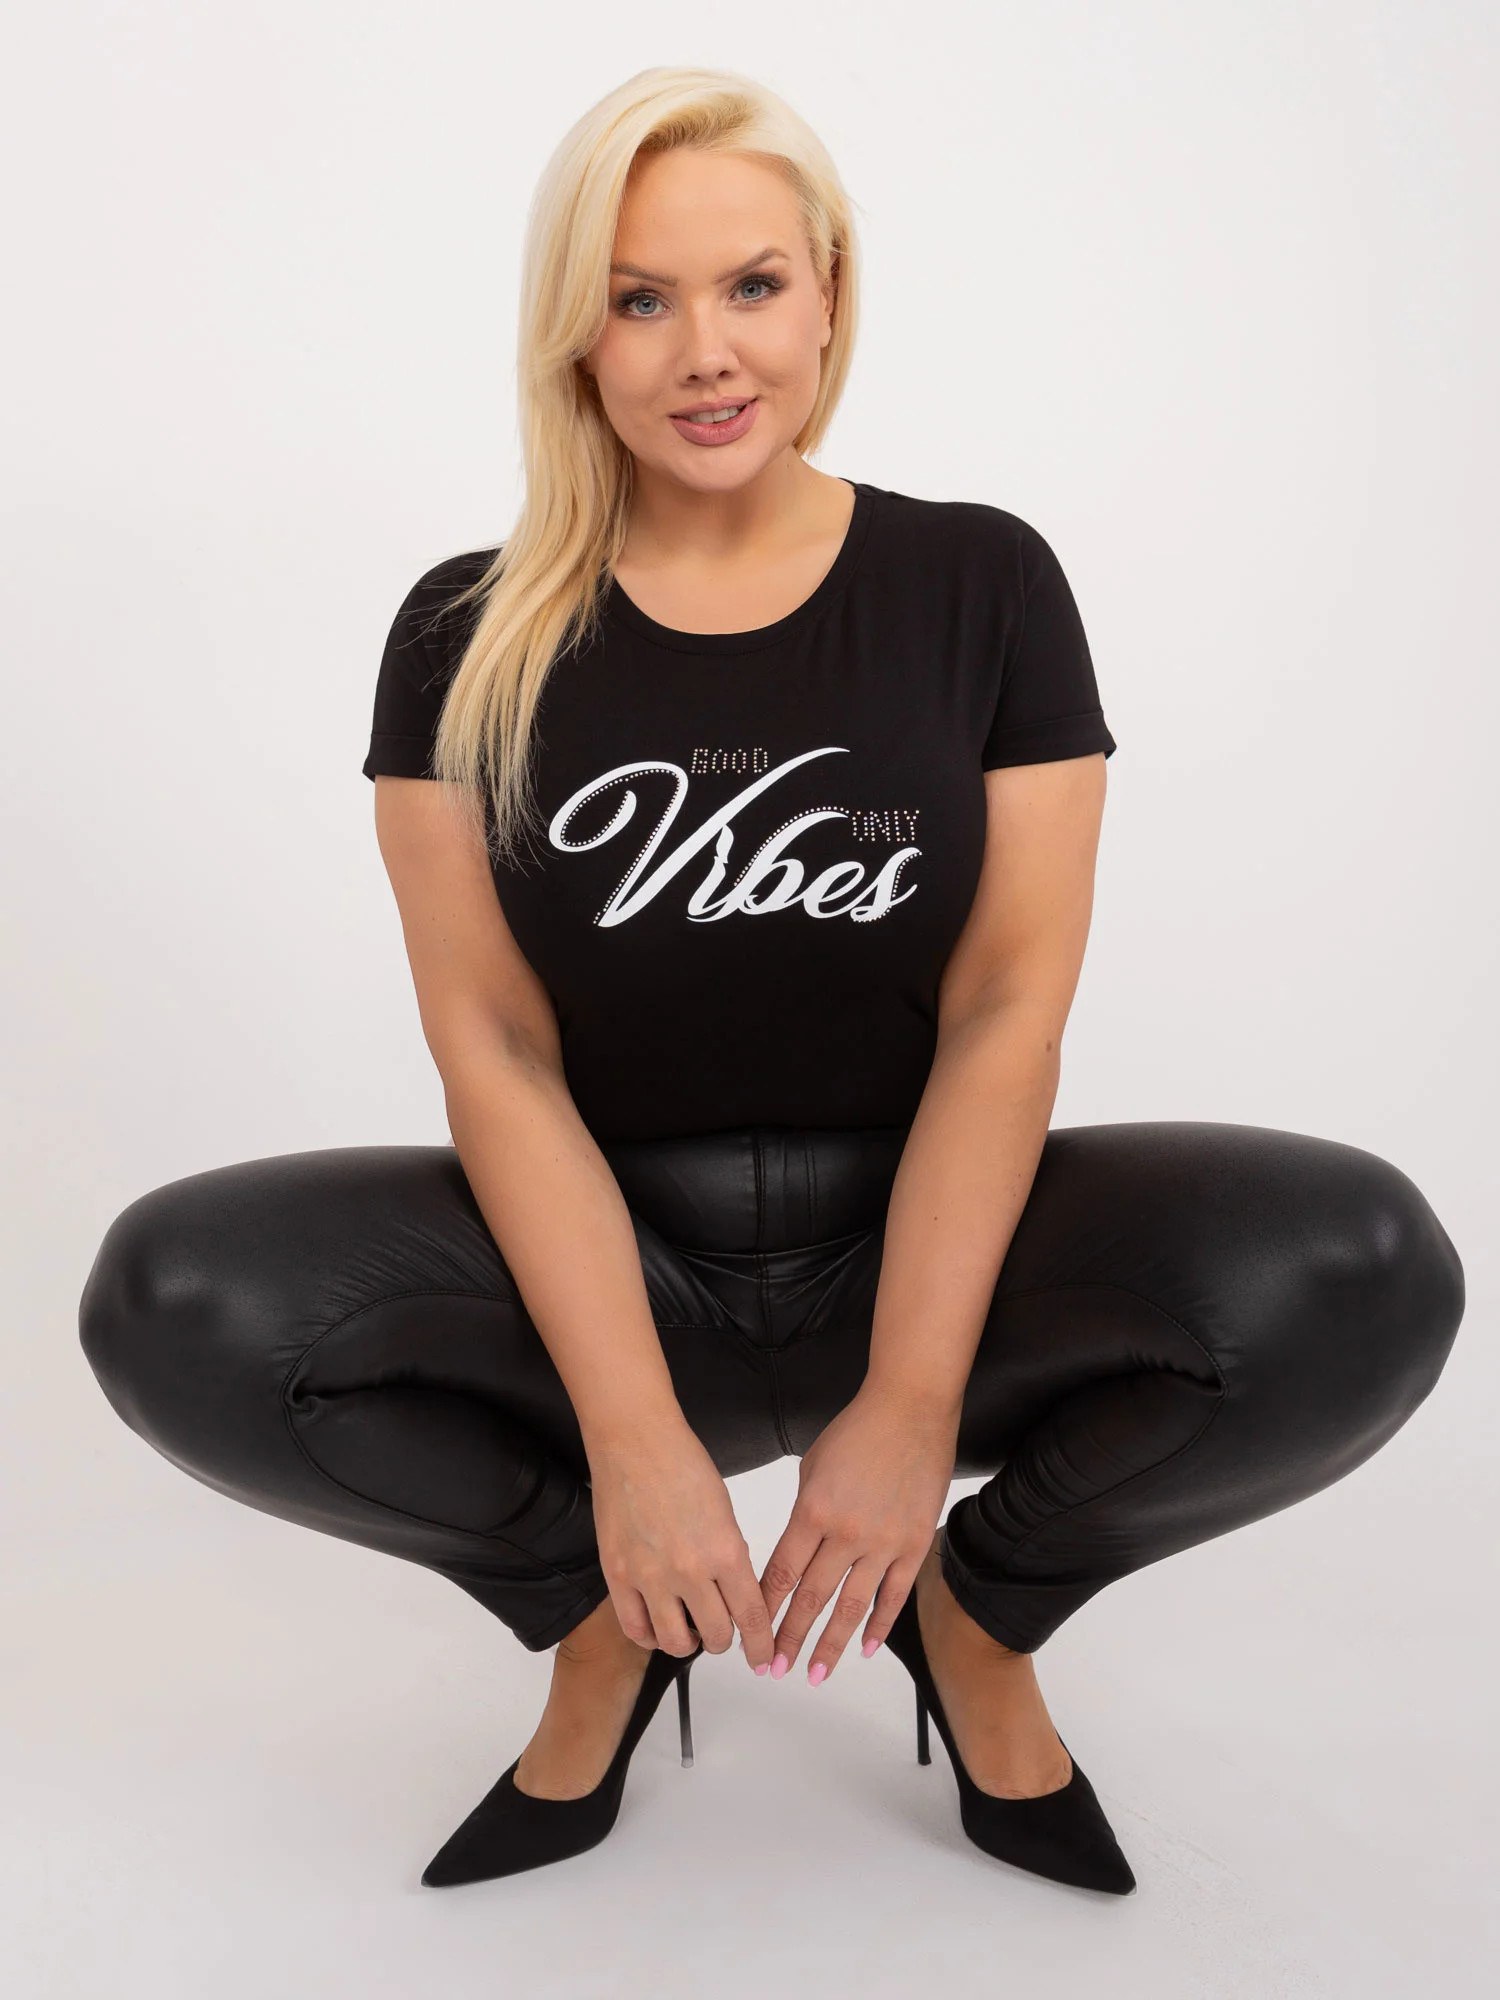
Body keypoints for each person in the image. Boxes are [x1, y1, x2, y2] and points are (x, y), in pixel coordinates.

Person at [77, 66, 1465, 1899]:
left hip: (926, 1241)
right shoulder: (462, 632)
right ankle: (604, 1623)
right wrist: (632, 1448)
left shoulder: (982, 583)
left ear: (828, 295)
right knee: (174, 1298)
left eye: (751, 285)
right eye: (639, 300)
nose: (705, 352)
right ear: (576, 334)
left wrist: (911, 1407)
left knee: (1363, 1265)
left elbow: (1006, 1013)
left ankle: (978, 1619)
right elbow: (494, 1051)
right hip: (613, 1264)